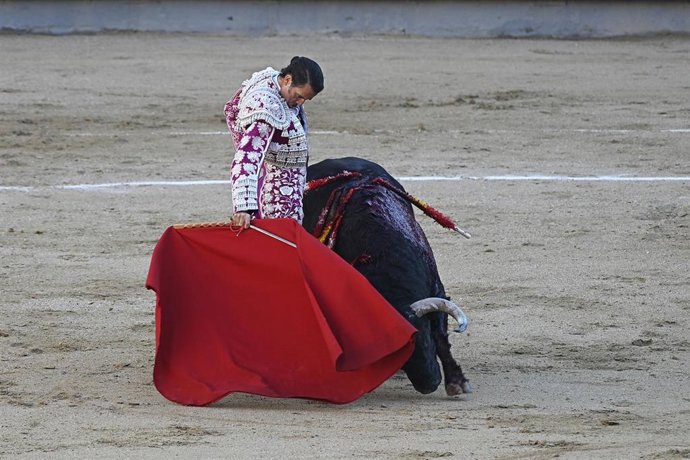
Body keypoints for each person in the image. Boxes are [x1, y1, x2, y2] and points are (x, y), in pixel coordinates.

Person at [224, 56, 324, 229]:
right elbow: (246, 157)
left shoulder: (271, 79)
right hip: (274, 188)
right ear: (287, 80)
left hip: (274, 175)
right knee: (279, 238)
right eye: (299, 96)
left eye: (305, 99)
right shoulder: (266, 108)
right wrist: (244, 208)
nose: (300, 103)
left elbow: (231, 108)